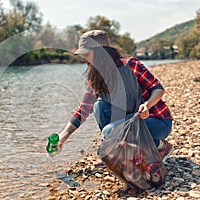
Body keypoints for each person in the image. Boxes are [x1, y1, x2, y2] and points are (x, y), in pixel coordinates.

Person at [57, 30, 174, 165]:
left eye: (86, 54)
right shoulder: (95, 78)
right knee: (99, 107)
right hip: (131, 122)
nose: (84, 59)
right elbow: (83, 110)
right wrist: (62, 137)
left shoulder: (131, 65)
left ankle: (160, 145)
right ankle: (116, 153)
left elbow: (158, 89)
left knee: (109, 131)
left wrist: (147, 105)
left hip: (156, 121)